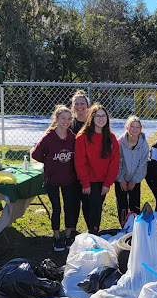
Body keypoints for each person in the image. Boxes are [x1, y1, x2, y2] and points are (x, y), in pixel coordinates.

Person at [31, 105, 80, 252]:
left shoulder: (72, 137)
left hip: (68, 178)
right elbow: (36, 154)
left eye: (69, 119)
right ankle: (56, 236)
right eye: (63, 118)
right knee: (56, 208)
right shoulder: (48, 137)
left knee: (69, 206)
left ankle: (68, 235)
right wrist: (49, 163)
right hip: (52, 179)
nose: (66, 121)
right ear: (56, 119)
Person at [74, 103, 120, 234]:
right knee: (91, 208)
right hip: (88, 181)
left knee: (96, 208)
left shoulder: (111, 138)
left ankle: (93, 232)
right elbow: (80, 162)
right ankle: (93, 232)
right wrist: (85, 183)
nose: (101, 119)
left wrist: (107, 183)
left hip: (102, 181)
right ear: (91, 118)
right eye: (97, 116)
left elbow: (114, 163)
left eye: (103, 116)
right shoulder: (82, 137)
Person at [115, 115, 149, 227]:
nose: (134, 129)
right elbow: (117, 162)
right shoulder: (120, 143)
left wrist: (134, 180)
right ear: (127, 127)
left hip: (135, 180)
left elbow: (142, 164)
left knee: (135, 204)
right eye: (132, 126)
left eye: (137, 127)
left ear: (141, 129)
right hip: (121, 179)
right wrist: (121, 180)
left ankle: (135, 226)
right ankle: (124, 226)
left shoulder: (143, 145)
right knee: (122, 204)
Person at [69, 89, 91, 229]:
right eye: (76, 103)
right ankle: (71, 231)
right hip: (71, 169)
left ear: (87, 105)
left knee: (89, 203)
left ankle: (92, 229)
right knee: (72, 203)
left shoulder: (93, 122)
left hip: (90, 169)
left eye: (82, 103)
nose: (79, 106)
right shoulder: (69, 122)